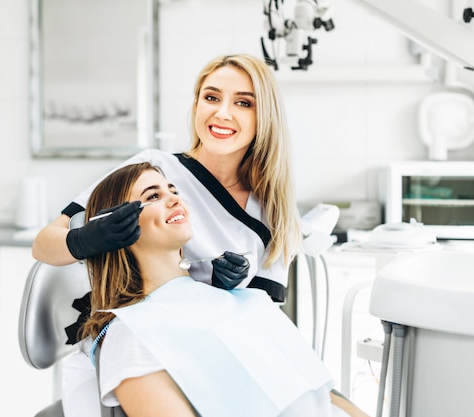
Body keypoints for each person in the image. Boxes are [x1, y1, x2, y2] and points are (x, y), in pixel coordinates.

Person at [79, 162, 368, 417]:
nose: (174, 199)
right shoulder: (131, 337)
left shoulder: (230, 297)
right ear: (113, 227)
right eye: (153, 196)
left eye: (173, 190)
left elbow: (321, 391)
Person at [32, 53, 301, 304]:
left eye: (243, 103)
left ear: (264, 116)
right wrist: (88, 239)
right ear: (196, 105)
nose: (222, 113)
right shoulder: (153, 170)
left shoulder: (274, 214)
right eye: (211, 98)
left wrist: (228, 291)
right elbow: (44, 245)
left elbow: (263, 319)